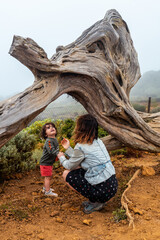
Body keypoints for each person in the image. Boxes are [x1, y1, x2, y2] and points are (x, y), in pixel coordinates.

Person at [57, 114, 118, 214]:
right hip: (112, 186)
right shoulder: (98, 141)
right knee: (78, 167)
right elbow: (79, 158)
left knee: (66, 174)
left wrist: (61, 157)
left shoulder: (81, 146)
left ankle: (95, 202)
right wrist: (68, 148)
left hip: (103, 191)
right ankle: (96, 200)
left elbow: (69, 165)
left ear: (80, 128)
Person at [40, 122, 59, 197]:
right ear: (45, 134)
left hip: (48, 163)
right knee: (48, 177)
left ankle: (45, 188)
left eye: (52, 126)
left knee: (49, 176)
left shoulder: (54, 139)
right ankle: (47, 192)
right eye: (48, 128)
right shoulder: (49, 141)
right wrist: (59, 154)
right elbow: (51, 151)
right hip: (45, 163)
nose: (51, 128)